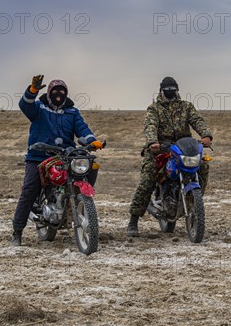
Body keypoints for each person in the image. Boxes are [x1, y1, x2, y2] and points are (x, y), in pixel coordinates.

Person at [11, 75, 104, 246]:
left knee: (90, 164)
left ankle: (79, 198)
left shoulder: (72, 112)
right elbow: (25, 106)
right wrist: (32, 91)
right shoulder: (39, 108)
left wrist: (92, 141)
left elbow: (82, 128)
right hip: (39, 155)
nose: (58, 94)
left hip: (65, 155)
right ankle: (17, 230)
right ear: (48, 92)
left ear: (66, 93)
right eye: (55, 91)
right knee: (30, 190)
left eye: (62, 91)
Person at [127, 76, 213, 237]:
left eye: (173, 89)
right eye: (167, 89)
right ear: (161, 90)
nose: (170, 92)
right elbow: (150, 125)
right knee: (148, 178)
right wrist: (153, 142)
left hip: (183, 146)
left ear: (177, 90)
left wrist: (206, 135)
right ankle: (134, 219)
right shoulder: (154, 108)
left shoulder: (186, 106)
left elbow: (197, 120)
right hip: (160, 148)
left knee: (203, 166)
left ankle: (194, 200)